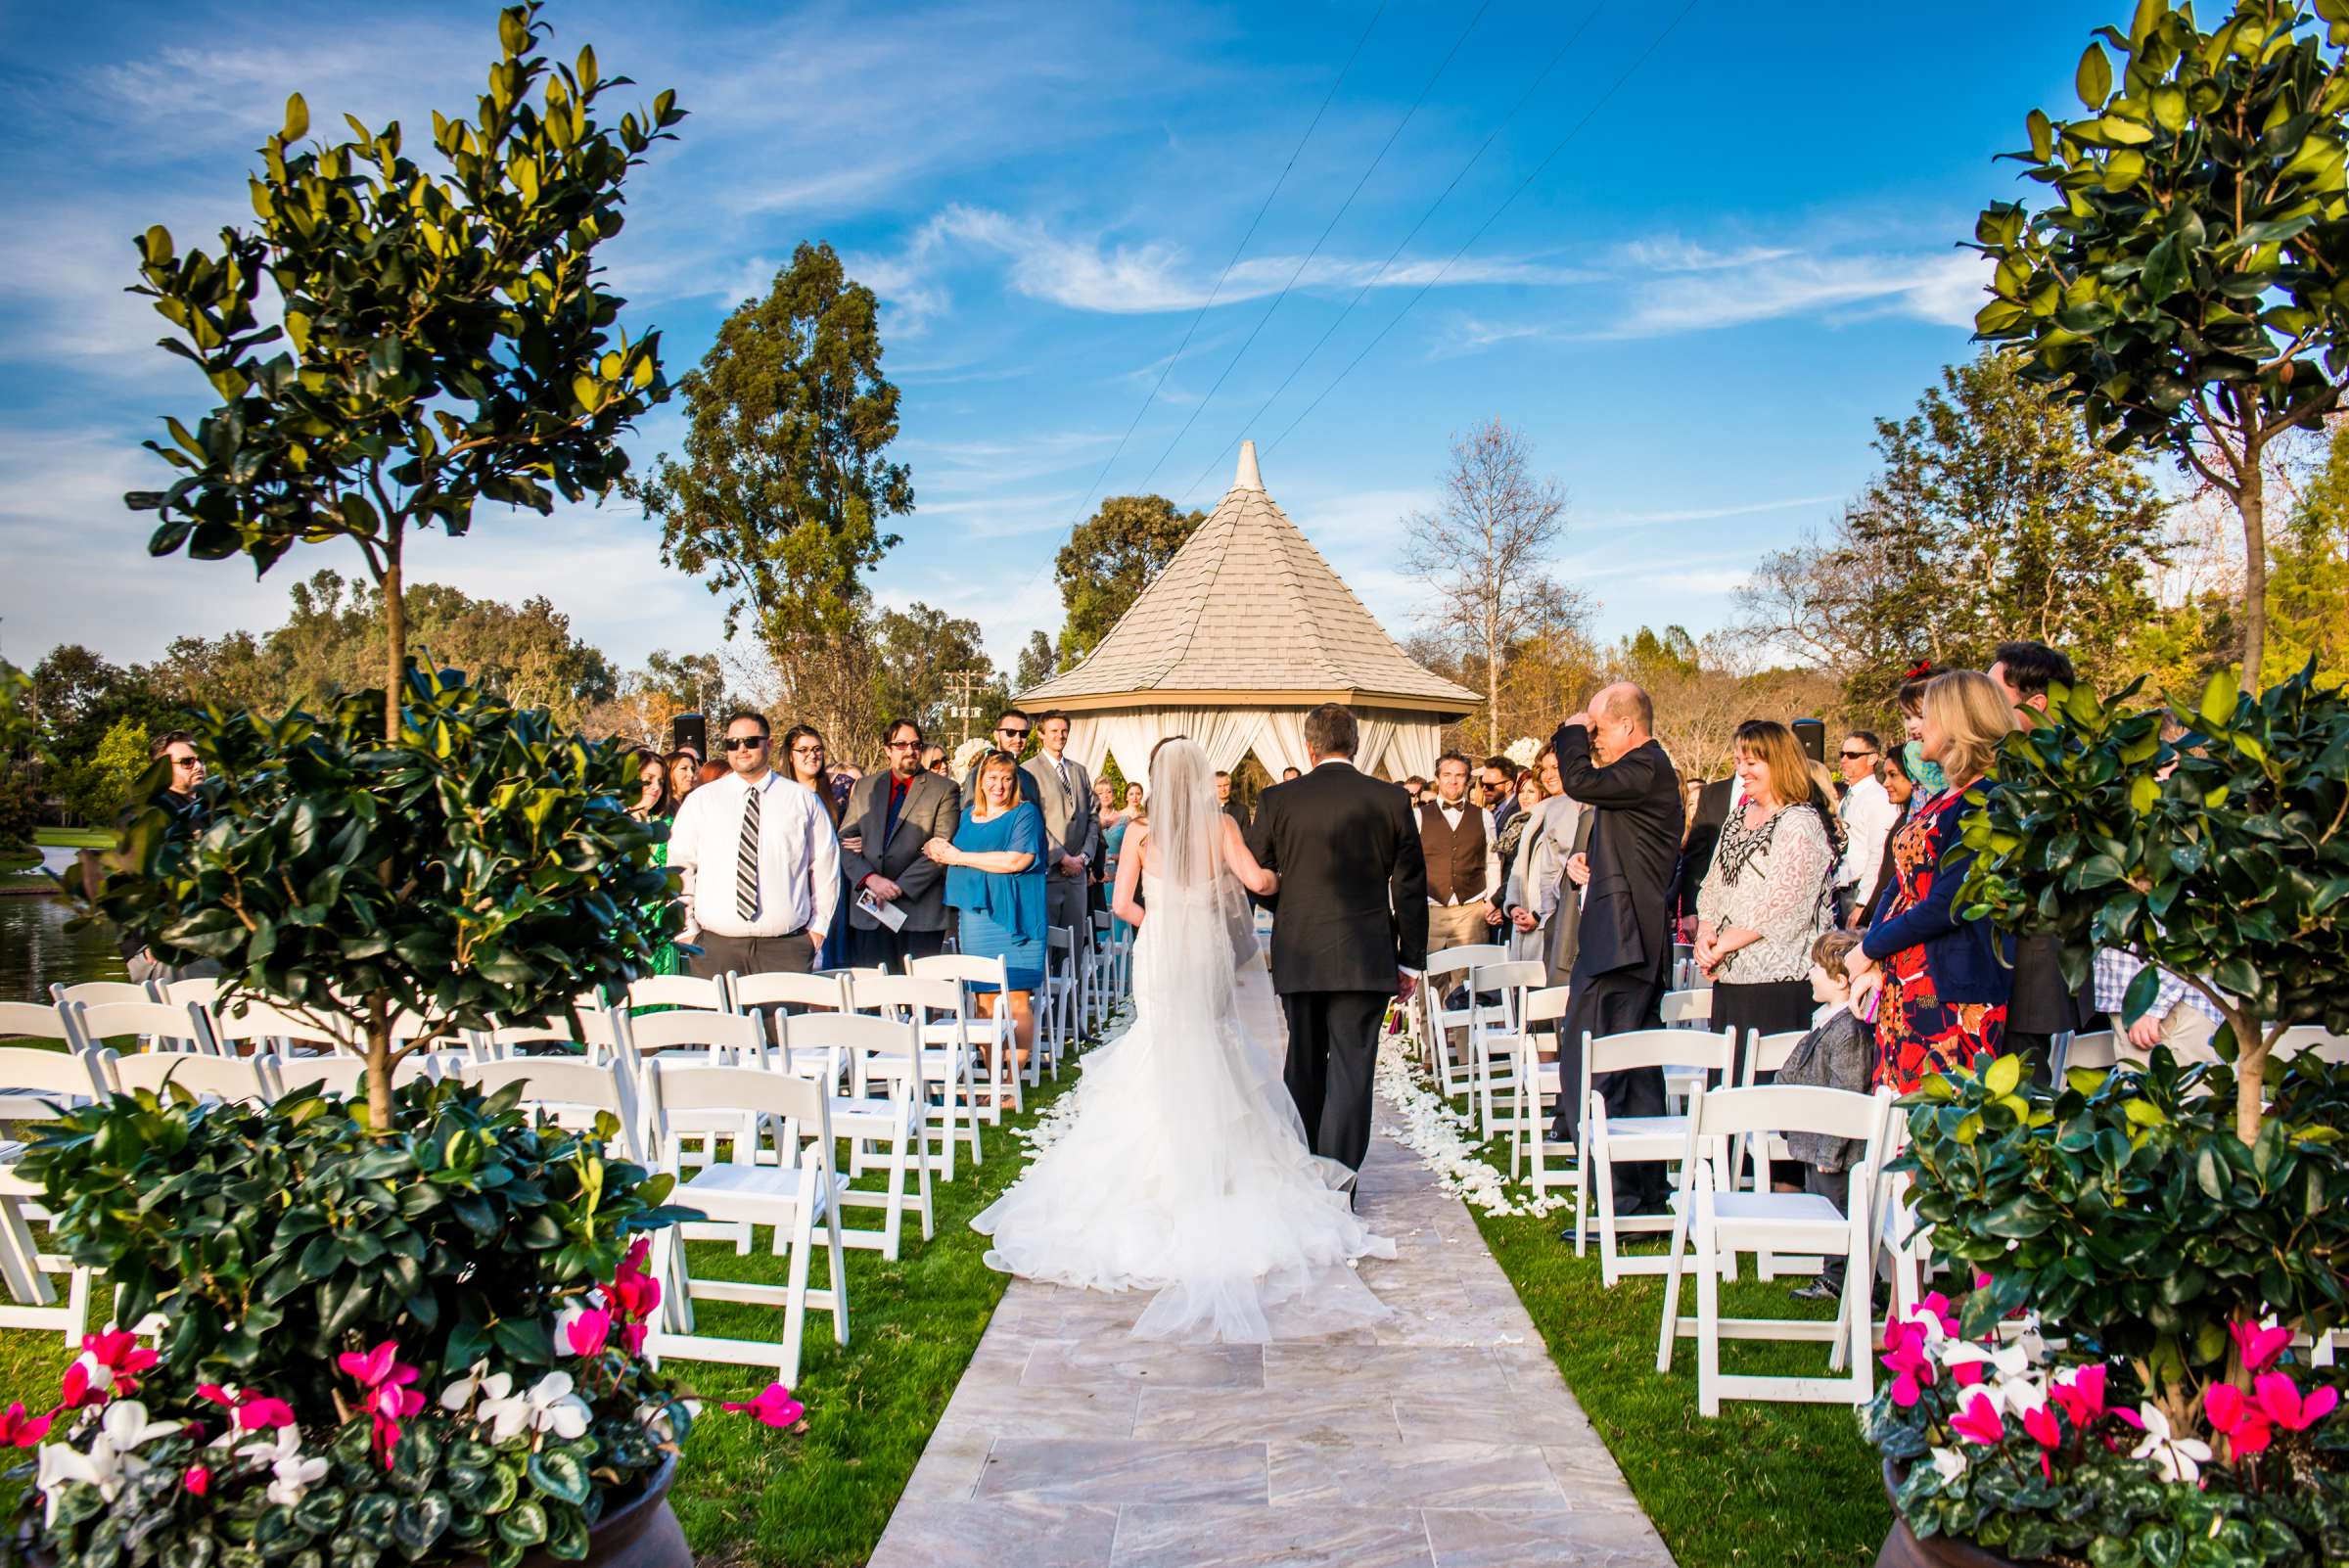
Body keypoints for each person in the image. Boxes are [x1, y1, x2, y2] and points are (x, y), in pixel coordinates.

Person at [972, 737, 1393, 1343]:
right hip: (1204, 952)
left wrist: (1164, 918)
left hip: (1160, 952)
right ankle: (1216, 1169)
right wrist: (1283, 872)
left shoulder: (1141, 835)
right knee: (1214, 1045)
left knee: (1163, 1041)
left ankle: (1158, 1172)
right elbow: (1261, 882)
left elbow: (1122, 904)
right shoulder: (1221, 824)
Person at [1249, 703, 1429, 1179]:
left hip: (1301, 951)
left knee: (1303, 1063)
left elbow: (1254, 877)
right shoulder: (1390, 800)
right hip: (1364, 954)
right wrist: (1410, 961)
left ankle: (1305, 1173)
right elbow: (1409, 886)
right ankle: (1338, 1182)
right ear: (1356, 745)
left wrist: (1291, 910)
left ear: (1308, 748)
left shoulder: (1276, 800)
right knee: (1352, 1068)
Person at [1546, 683, 1683, 1221]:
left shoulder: (1645, 766)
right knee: (1638, 1074)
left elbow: (1580, 781)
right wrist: (1590, 865)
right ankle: (1647, 1196)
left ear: (1627, 726)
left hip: (1620, 949)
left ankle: (1620, 1202)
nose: (1594, 739)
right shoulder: (1644, 774)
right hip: (1629, 942)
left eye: (1600, 729)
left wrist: (1572, 730)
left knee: (1595, 1073)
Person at [1847, 670, 2015, 1093]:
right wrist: (1873, 953)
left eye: (1929, 716)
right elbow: (1900, 884)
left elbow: (1947, 903)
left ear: (1960, 723)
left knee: (1938, 1120)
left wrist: (1870, 947)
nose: (1918, 728)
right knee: (1897, 1116)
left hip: (1949, 989)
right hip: (1904, 980)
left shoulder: (1988, 800)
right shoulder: (1944, 796)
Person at [1694, 719, 1840, 1076]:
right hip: (1731, 978)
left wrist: (1722, 944)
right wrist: (1705, 934)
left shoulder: (1800, 821)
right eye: (1738, 761)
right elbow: (1713, 884)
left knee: (1766, 1101)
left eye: (1751, 762)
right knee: (1729, 1091)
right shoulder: (1738, 817)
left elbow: (1785, 903)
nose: (1741, 771)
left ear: (1779, 762)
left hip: (1778, 982)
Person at [667, 710, 840, 981]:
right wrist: (688, 932)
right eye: (732, 743)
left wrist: (816, 931)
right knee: (719, 1024)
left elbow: (825, 868)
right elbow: (679, 867)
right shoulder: (702, 801)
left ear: (768, 744)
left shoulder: (802, 800)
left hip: (786, 948)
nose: (741, 749)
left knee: (781, 1025)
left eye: (750, 741)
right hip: (715, 948)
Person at [1988, 641, 2092, 1078]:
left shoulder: (2066, 775)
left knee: (2026, 1095)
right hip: (2019, 967)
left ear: (2036, 703)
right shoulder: (2010, 766)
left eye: (1995, 697)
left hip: (2036, 966)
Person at [928, 750, 1047, 1069]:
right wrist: (935, 848)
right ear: (980, 781)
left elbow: (1016, 859)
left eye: (1007, 779)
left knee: (1017, 998)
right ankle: (994, 1079)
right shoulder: (966, 816)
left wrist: (958, 857)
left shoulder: (1025, 813)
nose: (1000, 786)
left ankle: (1011, 1083)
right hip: (976, 919)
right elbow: (942, 845)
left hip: (1017, 918)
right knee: (984, 998)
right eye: (993, 778)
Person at [1773, 929, 1872, 1303]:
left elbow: (1847, 1094)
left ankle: (1844, 1280)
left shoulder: (1849, 1030)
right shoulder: (1827, 1017)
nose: (1810, 973)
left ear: (1842, 980)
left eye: (1817, 967)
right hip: (1815, 1139)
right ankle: (1833, 1275)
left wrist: (1831, 1152)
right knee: (1823, 1205)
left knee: (1838, 1211)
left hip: (1834, 1149)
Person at [841, 718, 961, 972]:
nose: (910, 750)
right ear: (887, 749)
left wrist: (896, 889)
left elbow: (941, 849)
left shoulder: (944, 789)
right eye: (901, 744)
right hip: (870, 909)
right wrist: (871, 880)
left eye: (916, 744)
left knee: (919, 998)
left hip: (918, 913)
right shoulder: (865, 787)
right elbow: (845, 843)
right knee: (874, 998)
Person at [121, 731, 218, 985]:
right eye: (186, 762)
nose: (198, 766)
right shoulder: (150, 815)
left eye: (200, 760)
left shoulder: (210, 810)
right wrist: (150, 941)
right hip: (167, 950)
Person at [1023, 711, 1100, 942]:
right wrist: (1062, 857)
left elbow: (1093, 817)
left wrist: (1084, 857)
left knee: (1074, 945)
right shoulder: (1028, 771)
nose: (1060, 735)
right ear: (1041, 735)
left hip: (1078, 875)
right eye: (1054, 731)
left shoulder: (1080, 770)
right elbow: (1032, 819)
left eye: (1064, 731)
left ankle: (1074, 980)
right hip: (1048, 871)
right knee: (1046, 944)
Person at [1418, 751, 1504, 954]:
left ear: (1467, 780)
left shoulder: (1484, 816)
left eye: (1459, 775)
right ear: (1437, 779)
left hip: (1471, 912)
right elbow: (1407, 865)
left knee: (1470, 982)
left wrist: (1490, 903)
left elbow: (1492, 863)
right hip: (1430, 913)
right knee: (1429, 982)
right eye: (1447, 775)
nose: (1453, 781)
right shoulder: (1418, 816)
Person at [1832, 730, 1897, 926]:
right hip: (1841, 889)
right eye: (1842, 754)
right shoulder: (1848, 797)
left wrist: (1863, 903)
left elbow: (1879, 852)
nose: (1844, 760)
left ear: (1872, 758)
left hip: (1859, 891)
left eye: (1852, 755)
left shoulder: (1879, 798)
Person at [1855, 746, 1917, 929]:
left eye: (1893, 775)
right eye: (1886, 775)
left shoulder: (1913, 824)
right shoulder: (1903, 818)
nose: (1886, 783)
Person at [966, 709, 1044, 809]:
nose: (1018, 739)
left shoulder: (1028, 778)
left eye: (1024, 734)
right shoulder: (978, 774)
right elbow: (967, 816)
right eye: (1010, 732)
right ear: (996, 735)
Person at [1897, 666, 1949, 796]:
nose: (1912, 725)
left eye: (1921, 716)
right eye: (1908, 717)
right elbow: (1943, 789)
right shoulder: (1914, 750)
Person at [1102, 781, 1142, 945]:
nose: (1105, 795)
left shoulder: (1124, 820)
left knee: (1119, 919)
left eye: (1108, 792)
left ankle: (1121, 964)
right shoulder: (1092, 818)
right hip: (1099, 875)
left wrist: (1115, 857)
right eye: (1100, 792)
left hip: (1120, 872)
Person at [1481, 757, 1521, 834]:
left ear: (1508, 786)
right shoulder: (1493, 812)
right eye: (1482, 784)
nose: (1484, 789)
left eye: (1489, 786)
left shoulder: (1518, 813)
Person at [1215, 769, 1251, 835]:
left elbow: (1247, 839)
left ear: (1230, 785)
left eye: (1226, 785)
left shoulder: (1243, 810)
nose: (1223, 789)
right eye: (1219, 786)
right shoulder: (1205, 810)